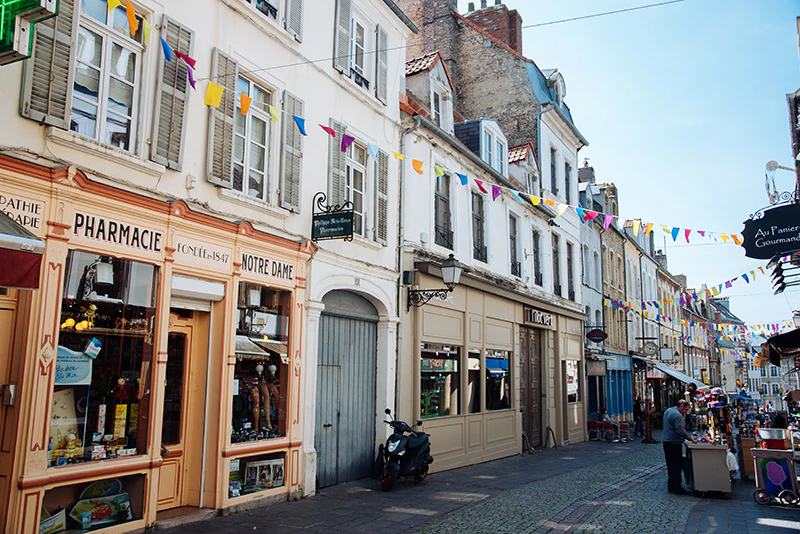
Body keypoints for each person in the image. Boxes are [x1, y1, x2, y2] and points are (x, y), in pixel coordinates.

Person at [663, 399, 695, 494]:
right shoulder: (677, 415)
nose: (685, 412)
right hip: (674, 442)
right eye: (685, 410)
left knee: (670, 464)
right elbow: (679, 430)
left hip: (666, 441)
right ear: (681, 406)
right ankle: (677, 487)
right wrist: (690, 439)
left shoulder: (668, 411)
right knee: (676, 465)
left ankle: (671, 485)